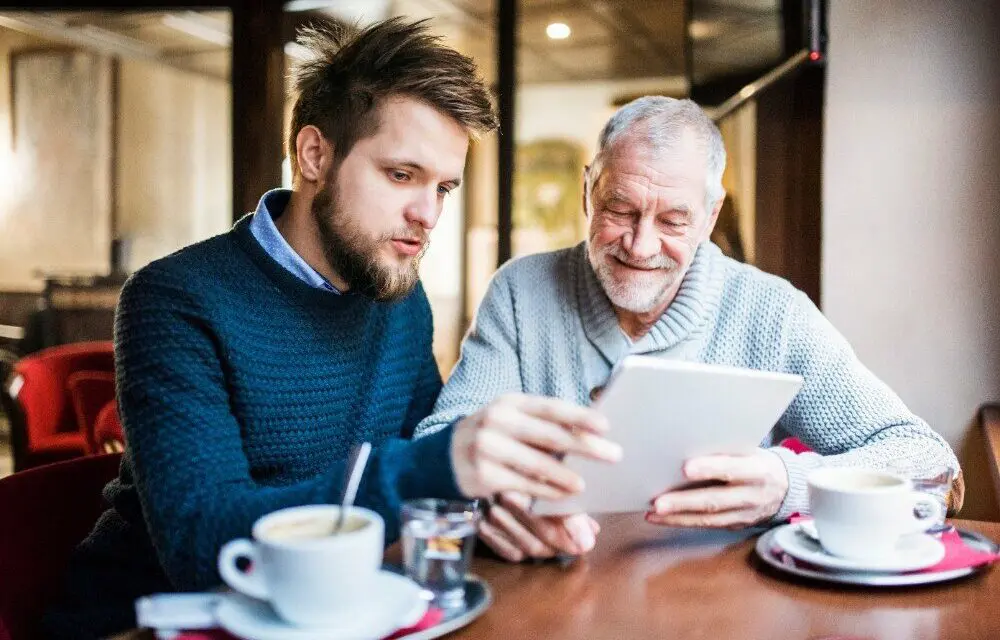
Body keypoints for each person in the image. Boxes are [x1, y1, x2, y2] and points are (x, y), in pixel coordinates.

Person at [44, 19, 620, 638]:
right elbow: (204, 546)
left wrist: (499, 507)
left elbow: (424, 477)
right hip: (154, 622)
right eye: (402, 175)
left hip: (329, 612)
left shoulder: (400, 297)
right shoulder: (175, 300)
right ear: (314, 155)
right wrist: (438, 466)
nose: (428, 214)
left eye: (444, 187)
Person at [415, 96, 963, 563]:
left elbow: (930, 462)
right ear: (587, 191)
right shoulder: (520, 291)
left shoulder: (771, 312)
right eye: (619, 210)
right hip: (552, 588)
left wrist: (788, 484)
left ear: (710, 215)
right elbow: (438, 443)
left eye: (673, 221)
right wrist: (491, 500)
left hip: (719, 602)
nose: (641, 245)